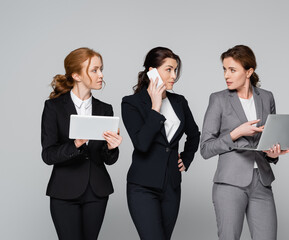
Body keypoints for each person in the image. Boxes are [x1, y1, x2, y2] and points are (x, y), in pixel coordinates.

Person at [200, 45, 289, 240]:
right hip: (229, 184)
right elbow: (206, 148)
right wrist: (235, 133)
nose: (227, 75)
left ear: (249, 72)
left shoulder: (266, 97)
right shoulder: (218, 99)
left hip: (262, 181)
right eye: (224, 69)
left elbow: (270, 138)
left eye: (232, 70)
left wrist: (273, 154)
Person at [41, 47, 122, 240]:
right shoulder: (54, 108)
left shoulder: (105, 109)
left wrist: (112, 147)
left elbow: (108, 159)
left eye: (101, 69)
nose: (101, 75)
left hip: (97, 191)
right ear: (76, 75)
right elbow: (48, 155)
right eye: (94, 70)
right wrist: (75, 144)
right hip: (64, 191)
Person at [121, 47, 200, 240]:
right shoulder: (131, 103)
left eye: (175, 70)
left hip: (171, 187)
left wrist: (186, 158)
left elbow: (194, 134)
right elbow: (141, 143)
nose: (174, 75)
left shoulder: (179, 102)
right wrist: (155, 107)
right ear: (152, 71)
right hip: (142, 187)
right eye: (169, 69)